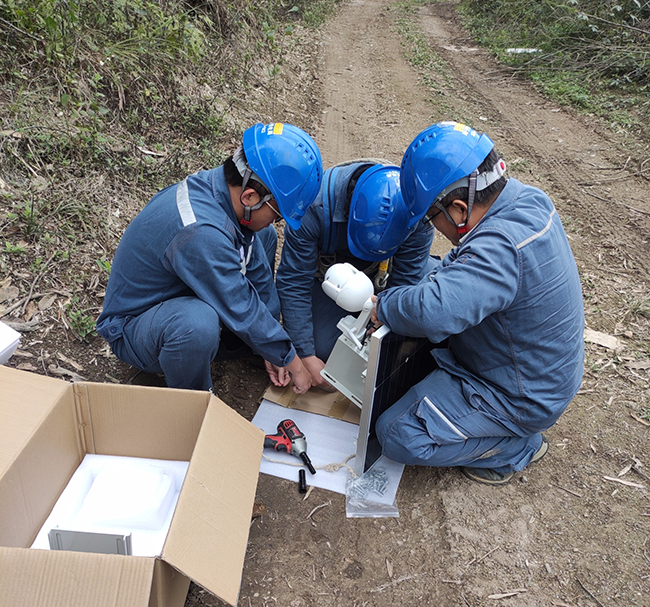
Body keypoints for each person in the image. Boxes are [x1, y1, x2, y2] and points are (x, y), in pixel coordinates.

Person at [371, 121, 584, 485]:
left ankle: (518, 447)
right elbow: (458, 272)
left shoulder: (501, 248)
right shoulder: (527, 199)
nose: (432, 226)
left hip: (518, 395)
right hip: (534, 368)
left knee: (396, 434)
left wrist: (384, 306)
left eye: (430, 217)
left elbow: (433, 311)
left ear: (457, 208)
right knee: (431, 274)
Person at [97, 122, 323, 393]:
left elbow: (254, 267)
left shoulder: (222, 192)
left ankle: (245, 342)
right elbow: (238, 301)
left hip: (177, 295)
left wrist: (274, 345)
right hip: (136, 326)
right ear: (250, 196)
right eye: (276, 216)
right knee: (196, 324)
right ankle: (195, 402)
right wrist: (293, 361)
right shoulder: (199, 229)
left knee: (262, 238)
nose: (275, 222)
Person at [275, 160, 433, 389]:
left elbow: (406, 280)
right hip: (330, 278)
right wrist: (305, 355)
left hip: (385, 275)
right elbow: (294, 283)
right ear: (350, 213)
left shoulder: (418, 217)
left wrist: (385, 328)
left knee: (423, 314)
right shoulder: (313, 206)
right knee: (326, 352)